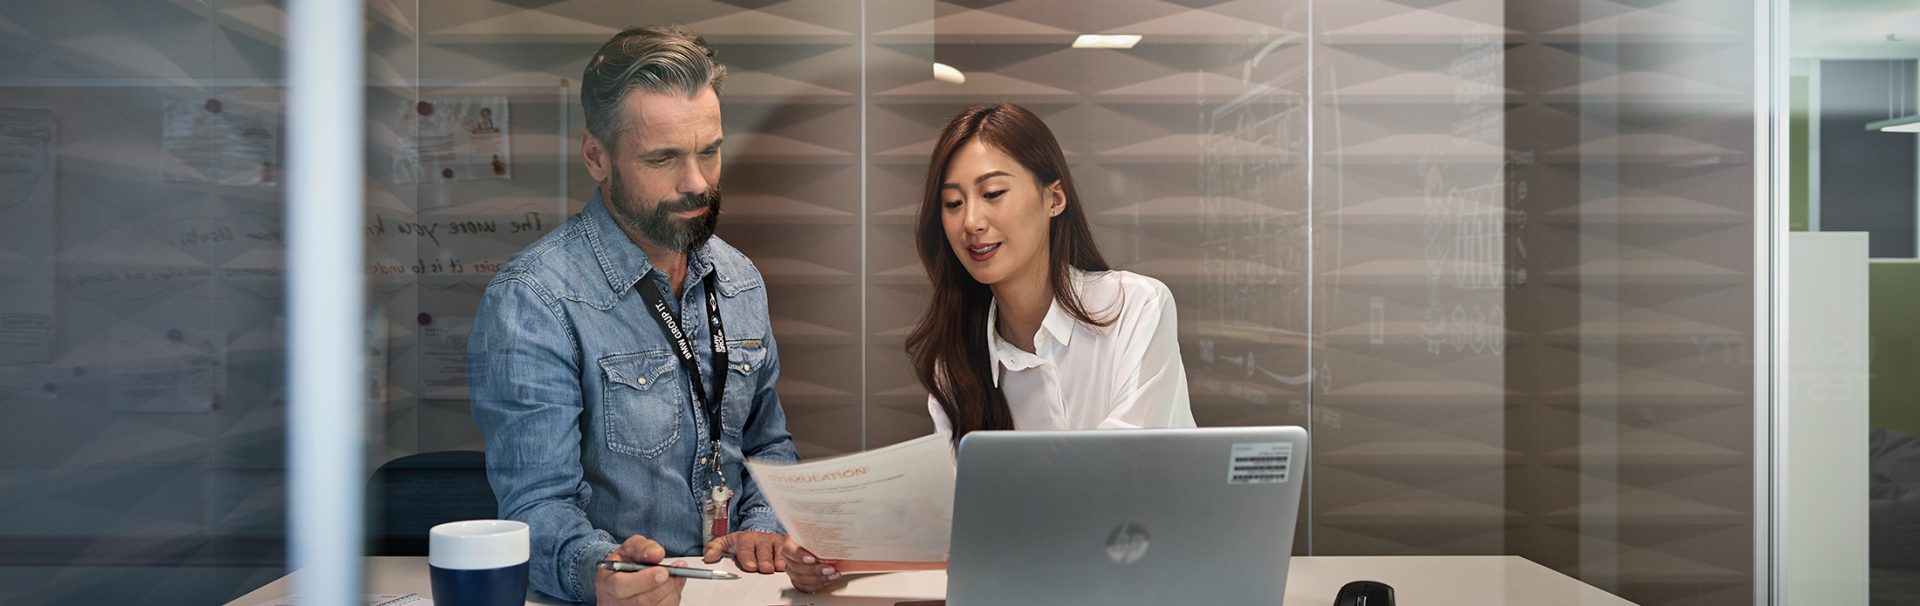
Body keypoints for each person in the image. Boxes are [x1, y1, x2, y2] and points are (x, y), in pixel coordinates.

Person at [782, 103, 1196, 592]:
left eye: (993, 193)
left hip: (1151, 584)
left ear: (1054, 198)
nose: (971, 221)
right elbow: (961, 526)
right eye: (953, 203)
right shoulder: (952, 361)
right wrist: (840, 555)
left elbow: (1118, 481)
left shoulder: (1135, 307)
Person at [468, 24, 797, 606]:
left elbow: (768, 445)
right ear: (596, 156)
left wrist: (766, 528)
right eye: (663, 158)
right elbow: (535, 506)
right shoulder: (533, 299)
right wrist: (599, 571)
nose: (696, 182)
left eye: (710, 151)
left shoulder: (740, 279)